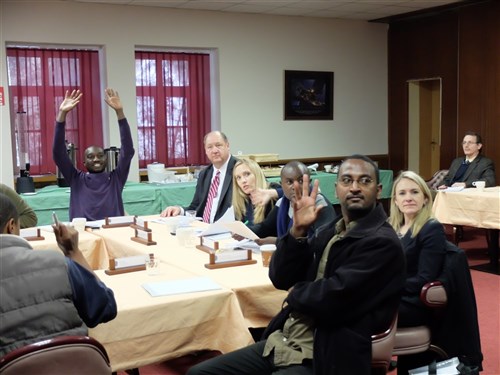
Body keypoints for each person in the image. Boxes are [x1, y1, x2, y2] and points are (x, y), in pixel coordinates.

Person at [187, 155, 406, 375]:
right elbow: (280, 277)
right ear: (337, 189)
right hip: (287, 338)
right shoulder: (332, 230)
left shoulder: (382, 242)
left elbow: (333, 297)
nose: (355, 187)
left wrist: (295, 292)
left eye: (365, 181)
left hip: (329, 349)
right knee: (199, 373)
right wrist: (297, 232)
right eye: (347, 181)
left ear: (378, 190)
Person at [0, 193, 117, 356]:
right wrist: (73, 252)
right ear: (11, 226)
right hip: (73, 365)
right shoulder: (59, 263)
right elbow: (105, 308)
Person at [53, 88, 135, 221]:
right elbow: (58, 153)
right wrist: (62, 114)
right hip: (84, 233)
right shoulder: (76, 179)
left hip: (112, 231)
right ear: (84, 163)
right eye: (90, 157)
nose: (96, 159)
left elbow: (128, 150)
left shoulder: (116, 178)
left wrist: (120, 113)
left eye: (100, 155)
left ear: (106, 159)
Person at [388, 171, 447, 327]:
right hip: (390, 296)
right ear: (395, 201)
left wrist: (384, 286)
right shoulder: (392, 227)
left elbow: (424, 279)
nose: (408, 198)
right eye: (402, 193)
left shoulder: (431, 228)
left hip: (411, 303)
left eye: (414, 192)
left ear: (425, 198)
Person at [249, 161, 334, 245]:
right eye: (289, 182)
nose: (295, 186)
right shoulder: (281, 203)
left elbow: (323, 242)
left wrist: (278, 242)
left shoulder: (320, 205)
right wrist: (241, 231)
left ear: (309, 182)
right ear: (281, 185)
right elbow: (264, 228)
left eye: (301, 181)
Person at [161, 131, 237, 223]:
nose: (214, 150)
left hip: (228, 231)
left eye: (218, 145)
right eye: (210, 147)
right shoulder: (204, 174)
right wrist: (179, 210)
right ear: (205, 151)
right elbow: (196, 206)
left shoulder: (239, 170)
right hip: (203, 229)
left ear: (227, 146)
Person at [232, 158, 278, 226]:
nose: (243, 181)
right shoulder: (243, 200)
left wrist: (272, 193)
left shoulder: (272, 188)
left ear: (257, 174)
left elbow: (293, 194)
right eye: (239, 178)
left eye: (247, 174)